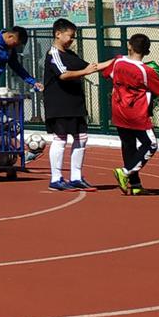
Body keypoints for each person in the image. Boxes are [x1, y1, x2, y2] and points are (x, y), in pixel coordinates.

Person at [99, 33, 159, 195]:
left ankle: (135, 185)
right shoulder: (146, 71)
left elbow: (106, 74)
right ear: (147, 52)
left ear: (129, 46)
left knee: (129, 146)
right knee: (150, 144)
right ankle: (125, 171)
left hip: (118, 111)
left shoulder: (118, 62)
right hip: (137, 114)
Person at [41, 18, 100, 190]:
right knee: (60, 139)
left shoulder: (71, 55)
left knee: (81, 138)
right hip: (59, 104)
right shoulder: (53, 54)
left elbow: (91, 67)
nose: (72, 40)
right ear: (58, 34)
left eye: (73, 37)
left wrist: (117, 62)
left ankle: (76, 177)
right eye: (70, 36)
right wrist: (85, 71)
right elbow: (63, 75)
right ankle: (56, 178)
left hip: (75, 103)